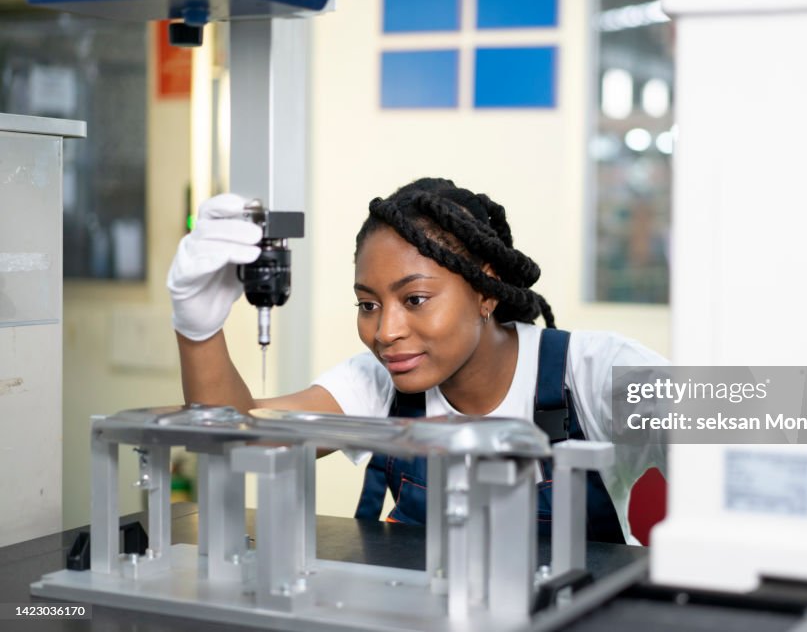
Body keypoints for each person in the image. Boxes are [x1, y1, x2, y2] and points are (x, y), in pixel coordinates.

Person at [168, 178, 669, 544]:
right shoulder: (380, 384)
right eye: (368, 305)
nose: (385, 333)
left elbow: (741, 426)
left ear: (485, 290)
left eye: (415, 300)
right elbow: (239, 436)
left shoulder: (596, 370)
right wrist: (198, 330)